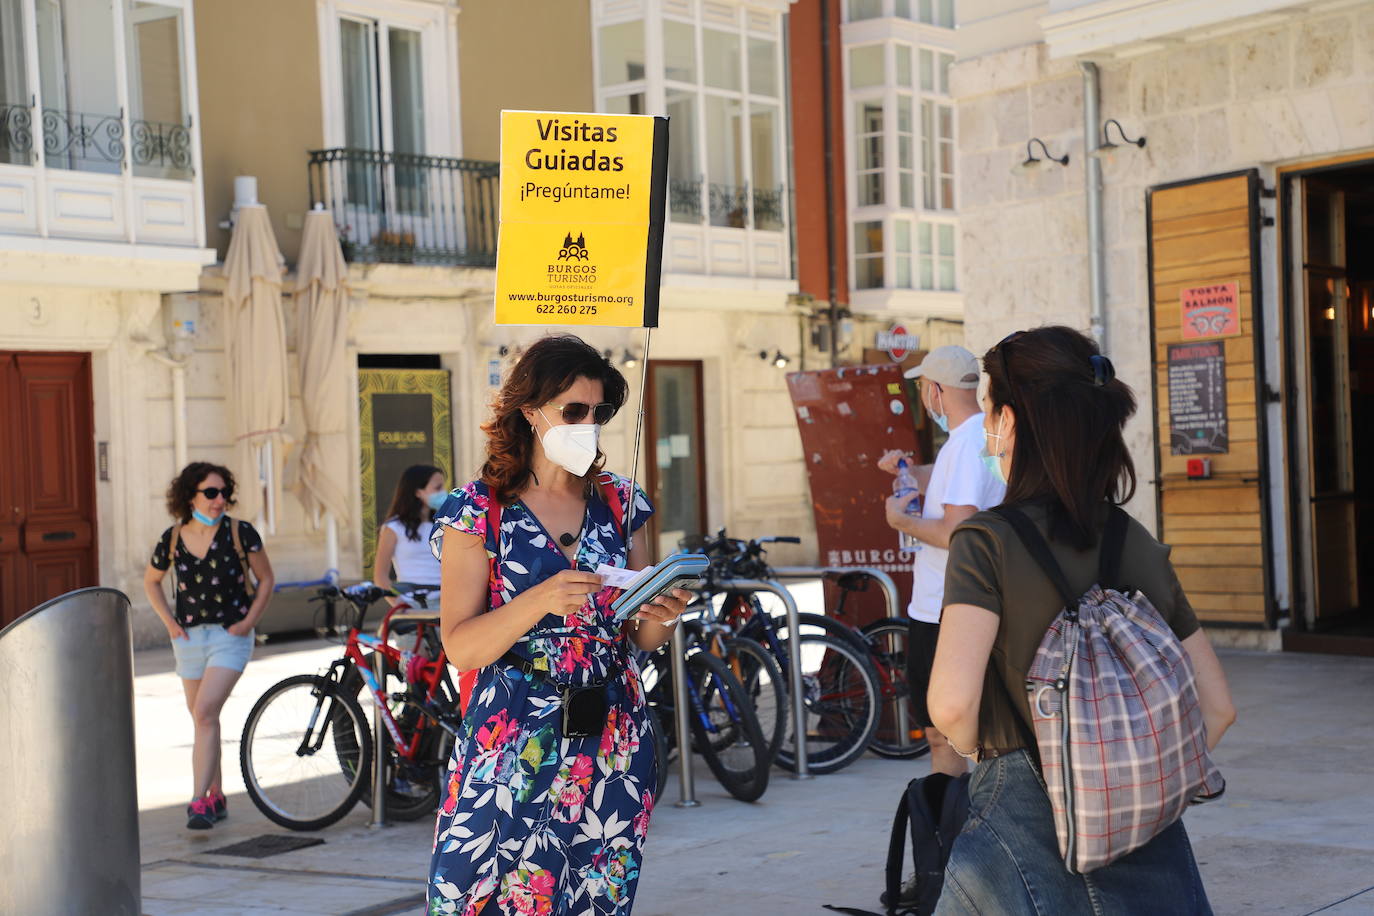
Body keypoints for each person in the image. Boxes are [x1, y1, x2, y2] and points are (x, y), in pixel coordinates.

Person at [927, 326, 1237, 914]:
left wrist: (1000, 764)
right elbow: (1217, 709)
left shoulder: (986, 541)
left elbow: (951, 707)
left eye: (990, 410)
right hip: (1153, 847)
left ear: (1011, 423)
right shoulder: (1131, 538)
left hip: (1020, 831)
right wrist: (1128, 777)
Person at [427, 335, 690, 915]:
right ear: (530, 410)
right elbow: (461, 648)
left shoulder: (622, 503)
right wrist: (539, 599)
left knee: (594, 897)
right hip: (511, 732)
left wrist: (662, 619)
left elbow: (637, 639)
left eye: (600, 413)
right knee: (470, 893)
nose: (589, 424)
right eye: (574, 410)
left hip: (613, 731)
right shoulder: (479, 510)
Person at [879, 345, 1005, 779]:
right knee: (947, 732)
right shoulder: (975, 436)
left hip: (945, 610)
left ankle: (951, 834)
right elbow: (951, 479)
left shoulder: (968, 443)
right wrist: (909, 473)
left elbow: (958, 532)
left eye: (921, 388)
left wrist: (901, 520)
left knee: (943, 734)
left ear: (934, 390)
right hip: (951, 604)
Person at [143, 462, 275, 830]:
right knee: (205, 719)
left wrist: (248, 623)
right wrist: (169, 623)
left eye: (223, 493)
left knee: (203, 713)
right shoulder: (171, 538)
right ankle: (216, 793)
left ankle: (199, 800)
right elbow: (151, 581)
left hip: (229, 638)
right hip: (187, 639)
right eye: (211, 493)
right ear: (190, 496)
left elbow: (266, 579)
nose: (219, 501)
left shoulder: (240, 532)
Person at [373, 464, 447, 599]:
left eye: (443, 486)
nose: (444, 492)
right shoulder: (394, 527)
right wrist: (400, 606)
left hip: (447, 603)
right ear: (418, 492)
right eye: (437, 488)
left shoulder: (444, 524)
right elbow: (380, 577)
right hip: (412, 606)